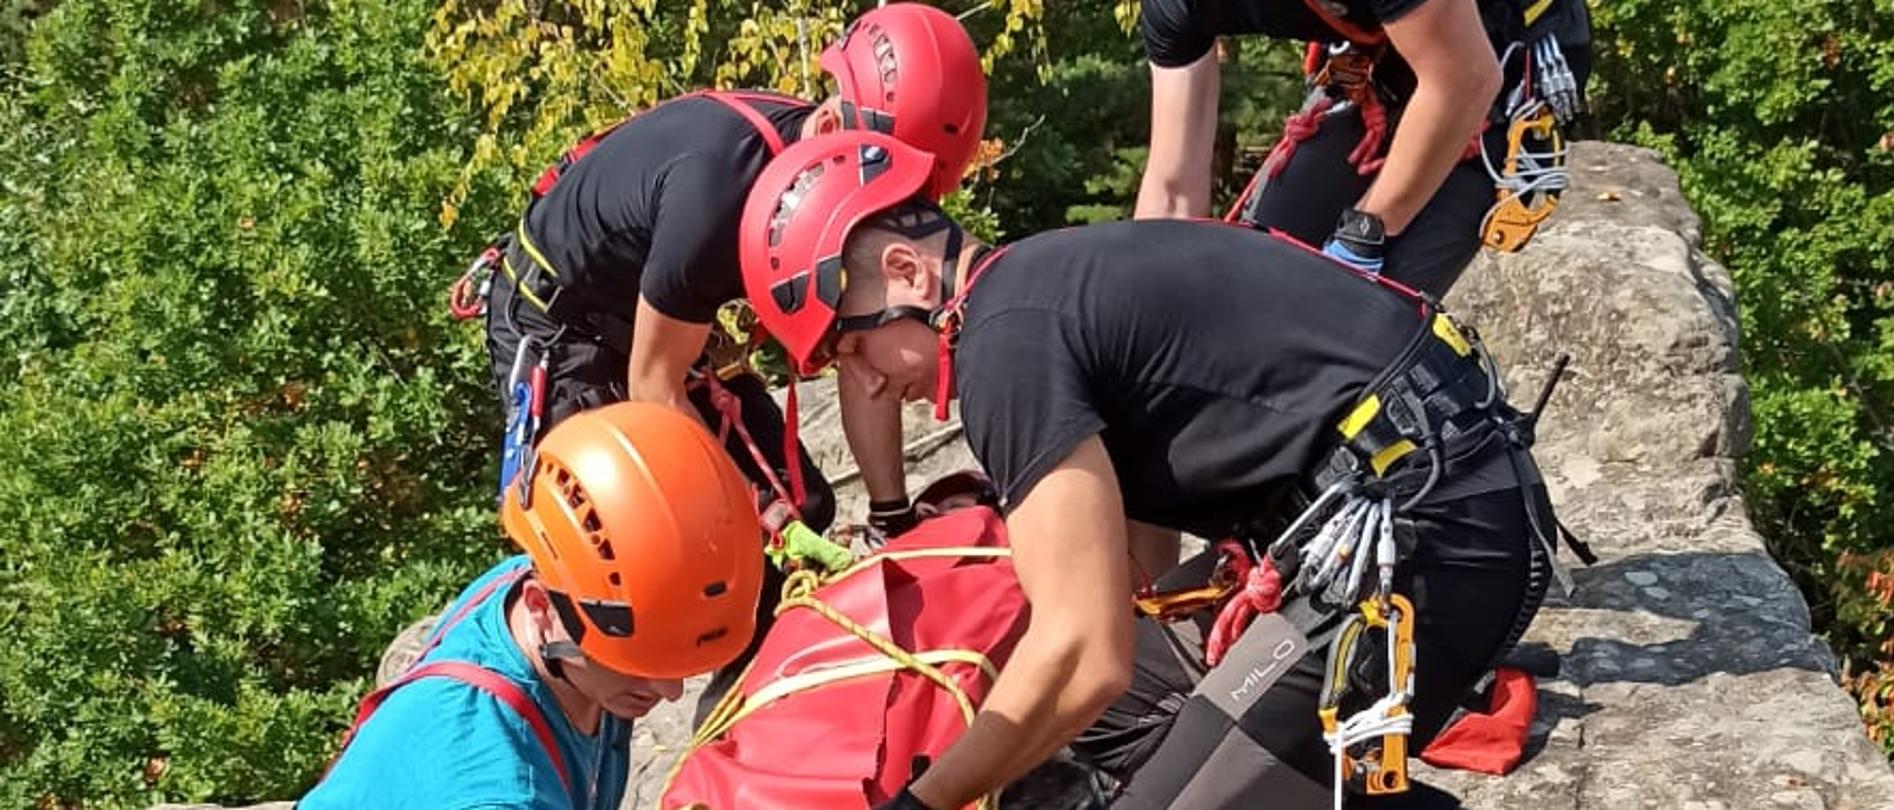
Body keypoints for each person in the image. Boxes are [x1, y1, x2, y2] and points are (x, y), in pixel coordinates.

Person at [736, 131, 1565, 809]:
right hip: (1419, 505)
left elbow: (1084, 654)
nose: (868, 384)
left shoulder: (1003, 345)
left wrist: (925, 803)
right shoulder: (1036, 288)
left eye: (854, 347)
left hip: (1429, 540)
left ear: (908, 274)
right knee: (1100, 719)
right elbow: (1109, 626)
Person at [482, 1, 988, 536]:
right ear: (829, 124)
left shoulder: (838, 178)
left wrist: (892, 519)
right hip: (560, 325)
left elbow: (860, 351)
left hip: (655, 319)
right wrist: (748, 515)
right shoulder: (718, 199)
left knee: (806, 506)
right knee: (641, 542)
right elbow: (654, 385)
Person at [301, 401, 766, 810]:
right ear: (541, 606)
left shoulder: (550, 582)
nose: (671, 691)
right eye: (636, 660)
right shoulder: (505, 791)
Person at [1132, 0, 1590, 297]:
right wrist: (1134, 308)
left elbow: (1465, 80)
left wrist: (1361, 238)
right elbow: (1172, 194)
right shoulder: (1176, 6)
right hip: (1378, 54)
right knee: (1254, 288)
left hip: (1497, 61)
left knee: (1349, 331)